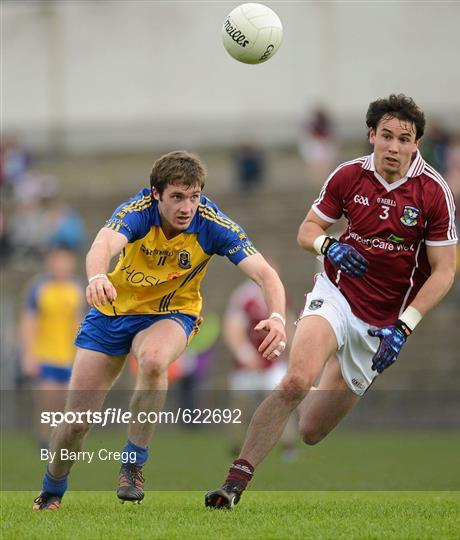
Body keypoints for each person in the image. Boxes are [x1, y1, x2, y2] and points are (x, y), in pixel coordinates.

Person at [206, 94, 457, 509]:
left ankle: (340, 358)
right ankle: (233, 485)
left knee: (310, 430)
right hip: (336, 294)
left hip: (382, 322)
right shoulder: (347, 175)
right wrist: (329, 246)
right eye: (387, 136)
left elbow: (444, 271)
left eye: (404, 139)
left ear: (416, 144)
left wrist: (405, 325)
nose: (394, 147)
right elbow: (307, 230)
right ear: (372, 135)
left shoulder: (433, 191)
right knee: (295, 380)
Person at [32, 150, 287, 510]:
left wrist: (277, 316)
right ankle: (51, 490)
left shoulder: (212, 223)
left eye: (194, 196)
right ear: (156, 194)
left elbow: (266, 274)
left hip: (172, 313)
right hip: (112, 313)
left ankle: (133, 463)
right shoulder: (136, 212)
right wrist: (97, 277)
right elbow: (103, 244)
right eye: (177, 197)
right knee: (76, 423)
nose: (187, 207)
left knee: (153, 361)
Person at [223, 276, 297, 460]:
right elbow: (233, 327)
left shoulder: (280, 294)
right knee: (240, 407)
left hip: (273, 362)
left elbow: (288, 322)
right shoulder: (244, 296)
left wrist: (290, 352)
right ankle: (236, 446)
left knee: (282, 401)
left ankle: (288, 445)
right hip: (248, 364)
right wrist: (245, 355)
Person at [19, 245, 84, 448]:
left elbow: (83, 322)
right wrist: (29, 354)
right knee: (48, 400)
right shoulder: (39, 288)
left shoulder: (79, 288)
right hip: (45, 354)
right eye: (58, 260)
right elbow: (29, 322)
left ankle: (63, 442)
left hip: (70, 355)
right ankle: (44, 441)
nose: (62, 265)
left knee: (68, 403)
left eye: (66, 260)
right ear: (50, 262)